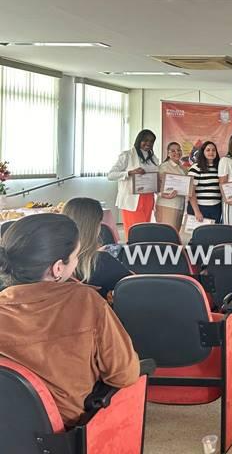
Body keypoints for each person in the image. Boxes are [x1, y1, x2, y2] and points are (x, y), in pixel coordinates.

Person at [0, 214, 140, 427]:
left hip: (9, 429)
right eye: (76, 255)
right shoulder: (86, 302)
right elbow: (124, 375)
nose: (76, 262)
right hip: (68, 431)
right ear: (57, 268)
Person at [62, 198, 132, 299]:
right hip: (99, 312)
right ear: (94, 227)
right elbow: (132, 286)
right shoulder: (102, 261)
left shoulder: (52, 263)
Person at [108, 129, 159, 235]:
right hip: (131, 199)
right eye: (145, 140)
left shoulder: (153, 158)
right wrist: (130, 172)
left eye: (151, 141)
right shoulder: (127, 155)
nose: (148, 143)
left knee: (145, 229)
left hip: (148, 198)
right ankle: (132, 250)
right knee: (134, 230)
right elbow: (111, 175)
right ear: (139, 140)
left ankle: (142, 250)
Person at [186, 141, 222, 224]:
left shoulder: (219, 167)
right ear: (203, 152)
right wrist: (197, 211)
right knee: (199, 235)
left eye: (213, 150)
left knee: (213, 235)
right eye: (208, 150)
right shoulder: (196, 167)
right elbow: (191, 191)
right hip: (200, 208)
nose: (211, 152)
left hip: (215, 208)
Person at [155, 141, 187, 232]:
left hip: (180, 205)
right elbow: (155, 186)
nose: (177, 152)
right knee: (166, 234)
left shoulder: (183, 168)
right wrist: (162, 194)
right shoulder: (163, 167)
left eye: (179, 150)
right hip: (166, 205)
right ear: (168, 153)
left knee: (175, 234)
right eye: (173, 151)